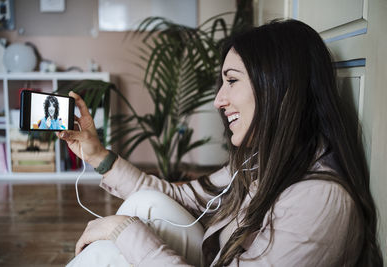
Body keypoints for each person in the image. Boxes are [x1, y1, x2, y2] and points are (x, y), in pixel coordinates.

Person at [59, 19, 384, 266]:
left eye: (231, 81)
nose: (218, 100)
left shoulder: (319, 201)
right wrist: (97, 154)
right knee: (148, 205)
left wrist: (123, 231)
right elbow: (181, 197)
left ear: (277, 86)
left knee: (116, 244)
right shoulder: (262, 160)